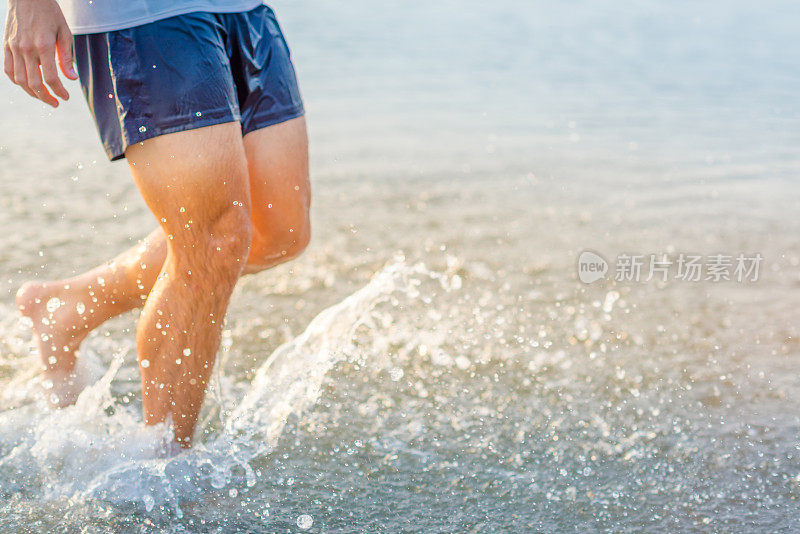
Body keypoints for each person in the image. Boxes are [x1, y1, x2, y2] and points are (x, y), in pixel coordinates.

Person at [3, 0, 310, 448]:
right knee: (214, 241)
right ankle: (166, 468)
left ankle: (69, 306)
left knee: (278, 232)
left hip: (243, 11)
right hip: (142, 14)